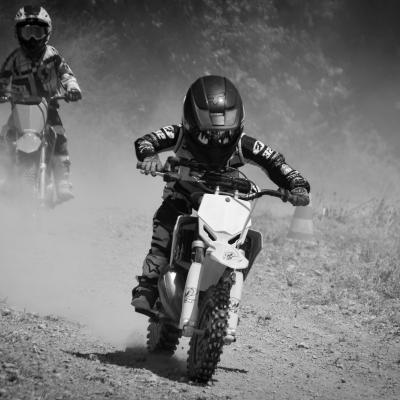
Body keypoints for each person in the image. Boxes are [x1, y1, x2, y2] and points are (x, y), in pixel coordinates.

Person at [132, 75, 310, 312]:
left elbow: (276, 163)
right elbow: (146, 141)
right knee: (165, 221)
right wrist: (151, 157)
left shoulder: (244, 143)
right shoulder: (178, 134)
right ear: (191, 120)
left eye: (224, 134)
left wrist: (297, 184)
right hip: (183, 191)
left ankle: (224, 278)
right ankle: (149, 283)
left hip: (226, 198)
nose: (216, 139)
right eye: (206, 133)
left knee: (243, 235)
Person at [0, 5, 82, 201]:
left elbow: (66, 74)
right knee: (5, 135)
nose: (32, 39)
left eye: (37, 32)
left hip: (48, 107)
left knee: (59, 135)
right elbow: (3, 78)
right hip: (20, 108)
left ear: (47, 32)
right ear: (18, 33)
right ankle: (6, 175)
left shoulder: (53, 55)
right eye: (27, 32)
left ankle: (62, 181)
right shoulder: (14, 58)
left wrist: (72, 88)